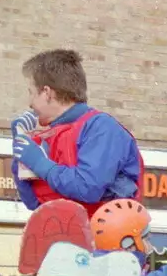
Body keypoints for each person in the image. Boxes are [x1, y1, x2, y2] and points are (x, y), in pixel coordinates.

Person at [11, 49, 143, 216]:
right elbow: (33, 202)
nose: (29, 103)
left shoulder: (101, 128)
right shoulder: (48, 136)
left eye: (31, 92)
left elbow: (88, 188)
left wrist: (39, 163)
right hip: (62, 237)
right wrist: (20, 158)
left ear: (47, 93)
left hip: (104, 240)